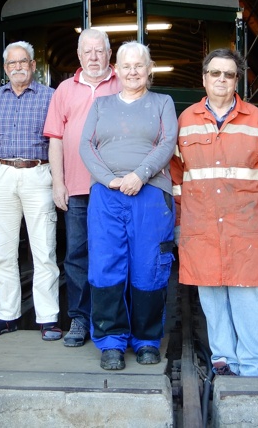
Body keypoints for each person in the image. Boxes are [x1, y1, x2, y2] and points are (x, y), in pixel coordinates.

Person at [170, 49, 258, 377]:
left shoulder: (256, 121)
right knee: (212, 298)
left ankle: (253, 369)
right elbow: (176, 179)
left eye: (228, 74)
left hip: (248, 228)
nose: (221, 80)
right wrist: (180, 223)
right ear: (204, 78)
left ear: (237, 80)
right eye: (215, 73)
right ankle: (223, 362)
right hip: (204, 227)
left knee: (252, 299)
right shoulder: (185, 122)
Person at [79, 41, 178, 370]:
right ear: (116, 70)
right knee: (106, 265)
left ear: (149, 69)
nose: (133, 71)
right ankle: (111, 340)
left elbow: (167, 142)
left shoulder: (162, 102)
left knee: (148, 265)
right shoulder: (100, 104)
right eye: (126, 65)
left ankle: (147, 339)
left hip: (151, 193)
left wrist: (141, 174)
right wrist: (109, 179)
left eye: (139, 65)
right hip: (108, 194)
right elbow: (86, 145)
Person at [0, 41, 60, 340]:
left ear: (34, 65)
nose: (18, 67)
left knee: (44, 251)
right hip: (1, 175)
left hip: (38, 173)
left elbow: (59, 143)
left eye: (23, 61)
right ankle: (6, 315)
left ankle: (48, 318)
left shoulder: (51, 97)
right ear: (6, 68)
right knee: (2, 252)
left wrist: (58, 180)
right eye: (12, 63)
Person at [43, 28, 121, 347]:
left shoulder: (123, 84)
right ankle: (79, 318)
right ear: (79, 56)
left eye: (99, 51)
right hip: (76, 187)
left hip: (114, 187)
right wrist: (57, 182)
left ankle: (111, 319)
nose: (93, 57)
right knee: (76, 254)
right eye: (87, 51)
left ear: (108, 53)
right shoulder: (64, 89)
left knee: (114, 253)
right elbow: (56, 140)